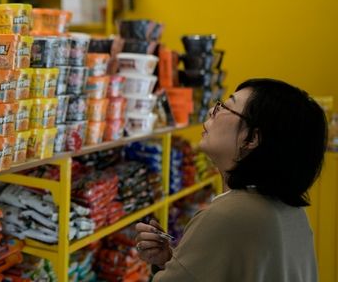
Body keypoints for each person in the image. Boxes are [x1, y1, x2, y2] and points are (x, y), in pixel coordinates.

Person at [135, 78, 327, 281]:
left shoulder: (227, 216)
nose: (211, 111)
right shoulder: (292, 212)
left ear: (252, 138)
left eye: (224, 107)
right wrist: (172, 261)